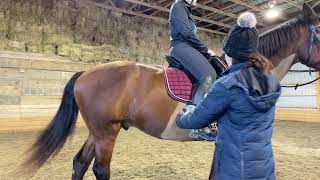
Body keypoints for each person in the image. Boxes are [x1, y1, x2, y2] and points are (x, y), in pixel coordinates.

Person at [176, 12, 281, 180]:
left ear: (230, 55)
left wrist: (183, 117)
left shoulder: (227, 85)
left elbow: (198, 118)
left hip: (234, 171)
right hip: (264, 170)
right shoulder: (270, 80)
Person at [169, 0, 217, 104]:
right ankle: (195, 112)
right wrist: (205, 49)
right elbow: (186, 32)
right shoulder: (178, 6)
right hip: (181, 46)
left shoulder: (186, 9)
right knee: (209, 74)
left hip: (188, 47)